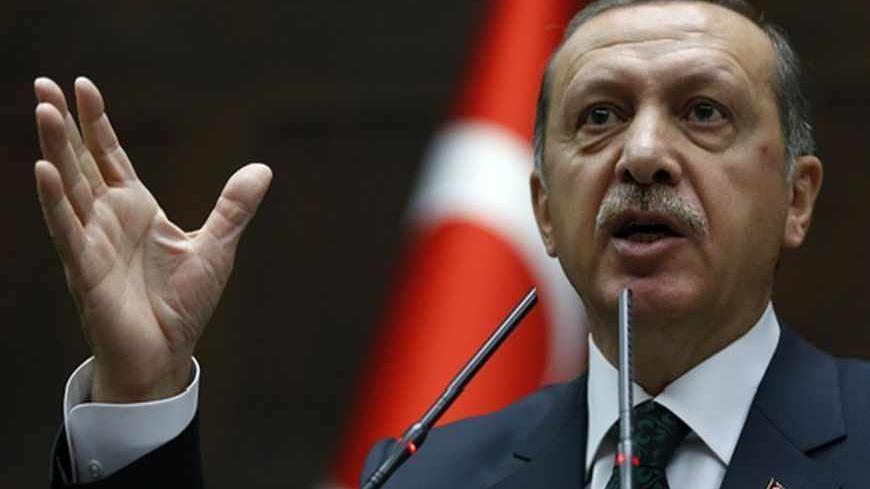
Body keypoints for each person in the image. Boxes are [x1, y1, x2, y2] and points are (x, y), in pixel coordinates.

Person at [34, 0, 870, 488]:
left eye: (703, 112)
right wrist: (141, 391)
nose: (644, 155)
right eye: (600, 117)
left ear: (797, 198)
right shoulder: (423, 476)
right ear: (544, 211)